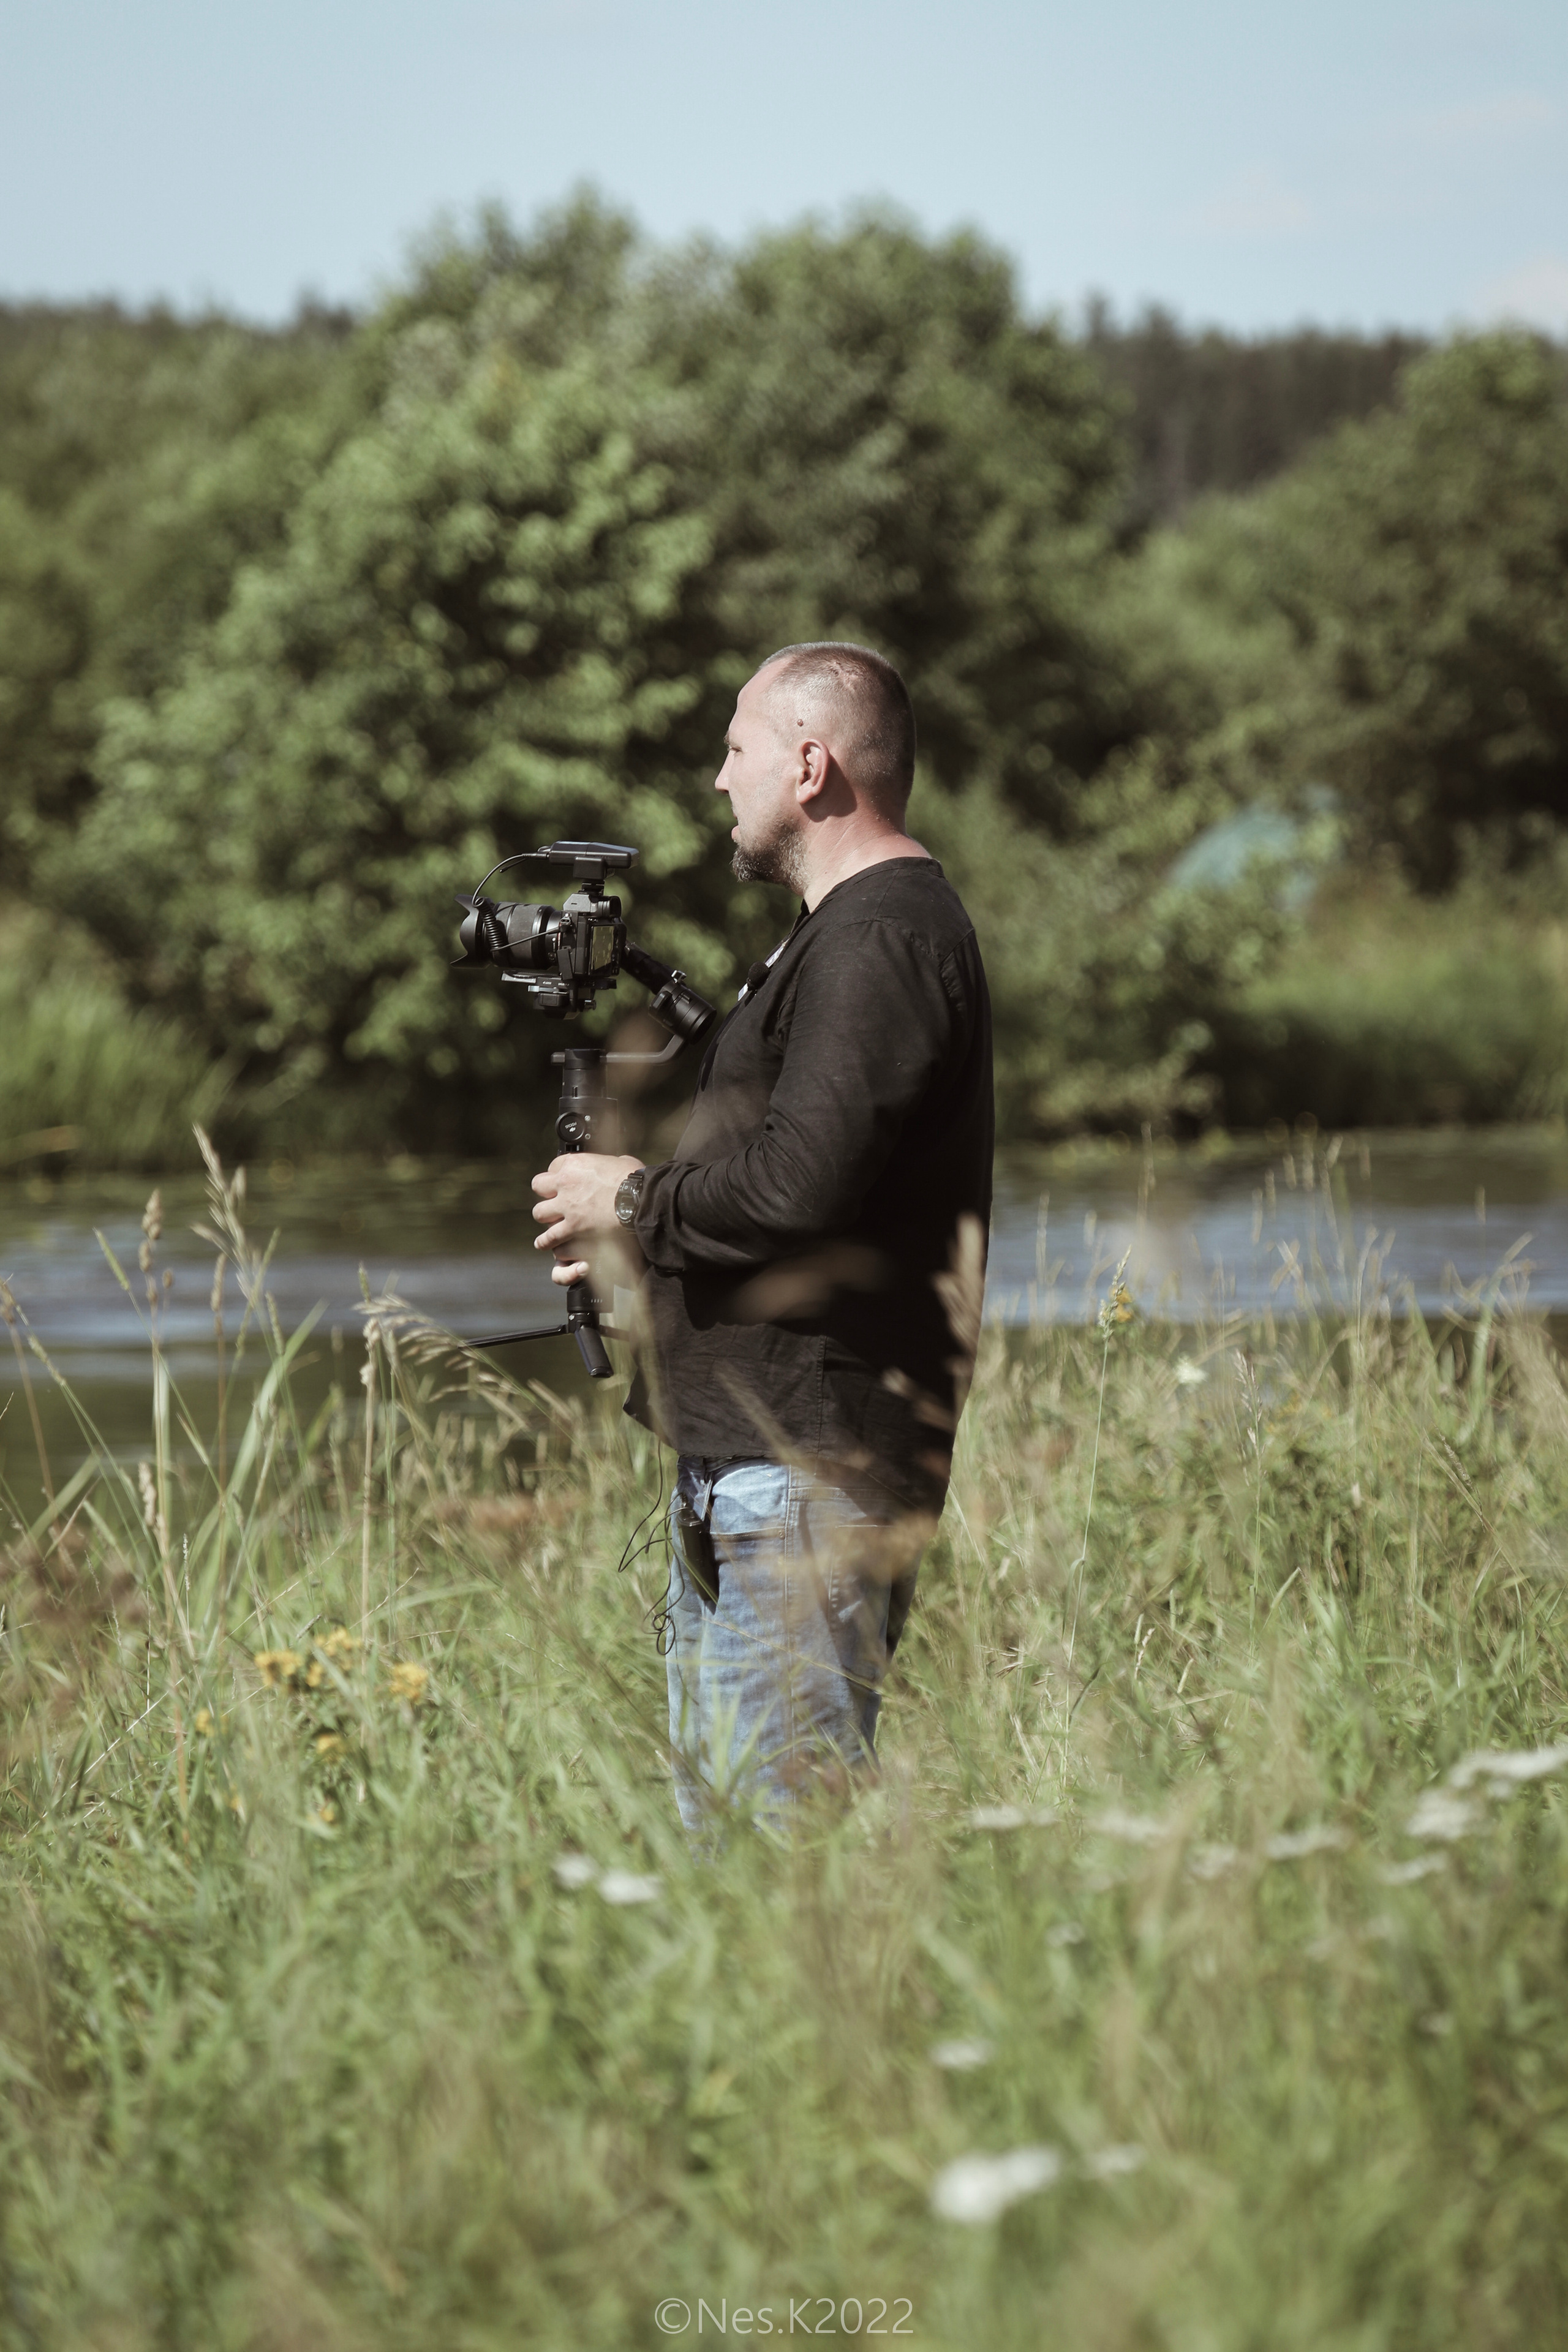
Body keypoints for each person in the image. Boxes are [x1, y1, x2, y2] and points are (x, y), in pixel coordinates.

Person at [530, 642, 993, 1832]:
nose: (717, 777)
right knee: (725, 1863)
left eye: (735, 748)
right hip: (752, 1474)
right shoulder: (837, 934)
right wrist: (647, 1247)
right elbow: (804, 1193)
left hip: (805, 1480)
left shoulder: (881, 939)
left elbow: (803, 1184)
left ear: (809, 764)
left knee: (771, 1868)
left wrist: (634, 1200)